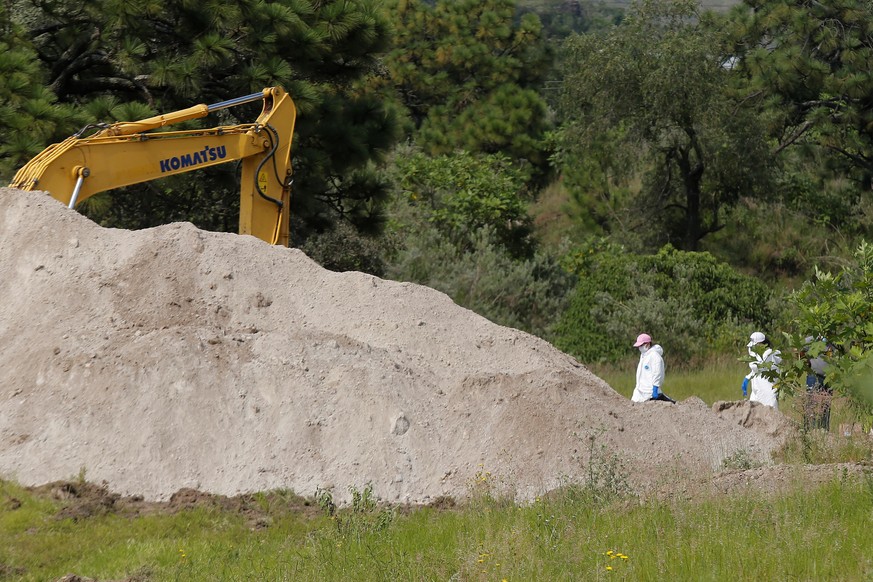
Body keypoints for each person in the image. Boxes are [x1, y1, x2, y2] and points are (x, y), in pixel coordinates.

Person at [742, 331, 781, 409]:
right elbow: (758, 370)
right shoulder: (758, 355)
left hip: (768, 393)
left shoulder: (769, 354)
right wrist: (747, 378)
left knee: (770, 416)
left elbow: (759, 367)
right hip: (756, 391)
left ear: (760, 344)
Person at [631, 333, 674, 403]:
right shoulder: (643, 356)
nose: (639, 347)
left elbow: (657, 373)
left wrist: (655, 389)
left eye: (641, 345)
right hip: (639, 391)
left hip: (650, 392)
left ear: (647, 344)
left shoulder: (655, 356)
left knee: (670, 405)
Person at [802, 336, 833, 430]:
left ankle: (824, 429)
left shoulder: (833, 341)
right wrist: (807, 362)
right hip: (814, 376)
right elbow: (800, 350)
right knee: (812, 403)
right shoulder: (810, 339)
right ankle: (809, 429)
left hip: (829, 378)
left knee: (826, 404)